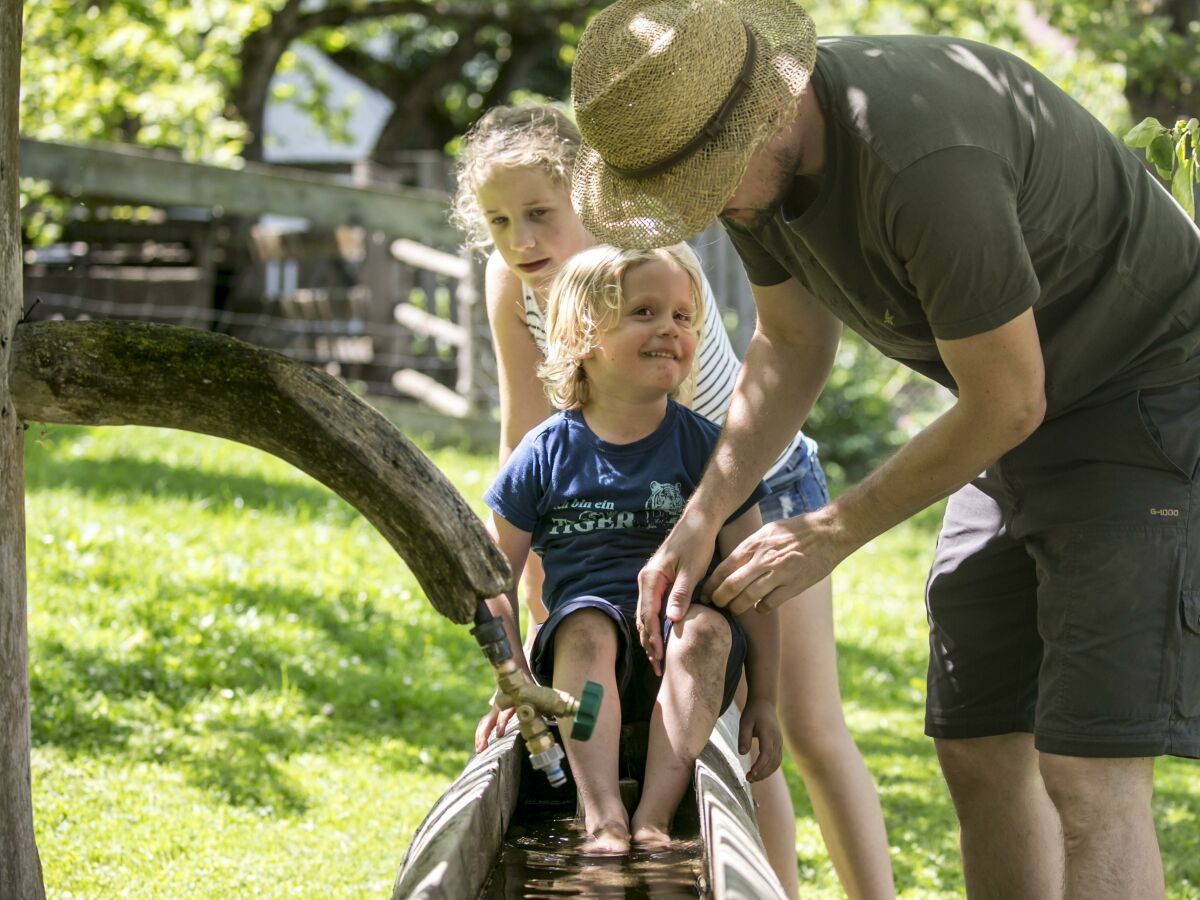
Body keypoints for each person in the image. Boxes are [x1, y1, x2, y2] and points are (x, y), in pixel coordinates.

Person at [570, 0, 1200, 897]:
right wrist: (698, 519)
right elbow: (790, 345)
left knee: (1088, 771)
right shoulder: (751, 170)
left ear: (766, 110)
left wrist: (830, 531)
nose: (706, 210)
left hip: (1144, 404)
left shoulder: (925, 157)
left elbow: (1011, 397)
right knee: (979, 744)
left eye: (708, 183)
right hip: (1010, 419)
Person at [454, 104, 894, 897]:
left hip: (750, 482)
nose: (521, 240)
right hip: (621, 503)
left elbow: (693, 428)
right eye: (499, 222)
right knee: (610, 659)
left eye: (540, 215)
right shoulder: (509, 284)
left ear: (587, 197)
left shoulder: (647, 257)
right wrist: (533, 568)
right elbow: (528, 427)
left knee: (800, 723)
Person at [475, 241, 782, 854]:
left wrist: (766, 698)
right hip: (582, 680)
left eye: (682, 316)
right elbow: (491, 581)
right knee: (586, 624)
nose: (670, 328)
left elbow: (753, 581)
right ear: (582, 334)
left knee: (706, 631)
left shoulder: (711, 453)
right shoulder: (544, 453)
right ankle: (602, 814)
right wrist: (511, 683)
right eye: (645, 311)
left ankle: (655, 815)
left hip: (681, 660)